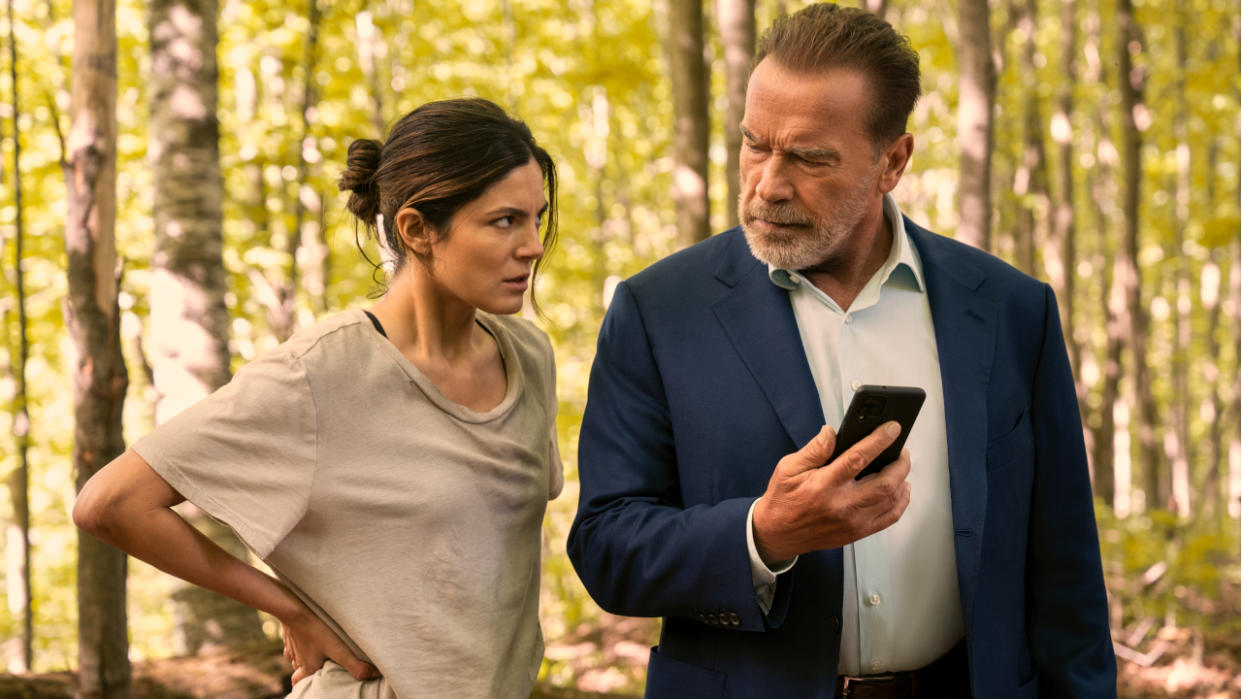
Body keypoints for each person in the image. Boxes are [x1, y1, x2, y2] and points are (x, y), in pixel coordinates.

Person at [567, 5, 1116, 698]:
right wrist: (763, 533)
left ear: (893, 160)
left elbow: (1065, 571)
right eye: (754, 144)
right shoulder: (656, 311)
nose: (768, 183)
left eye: (807, 156)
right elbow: (606, 547)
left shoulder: (1012, 310)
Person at [74, 97, 564, 698]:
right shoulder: (317, 375)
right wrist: (290, 609)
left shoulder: (529, 357)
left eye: (536, 219)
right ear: (416, 230)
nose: (534, 246)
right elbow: (111, 504)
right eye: (504, 221)